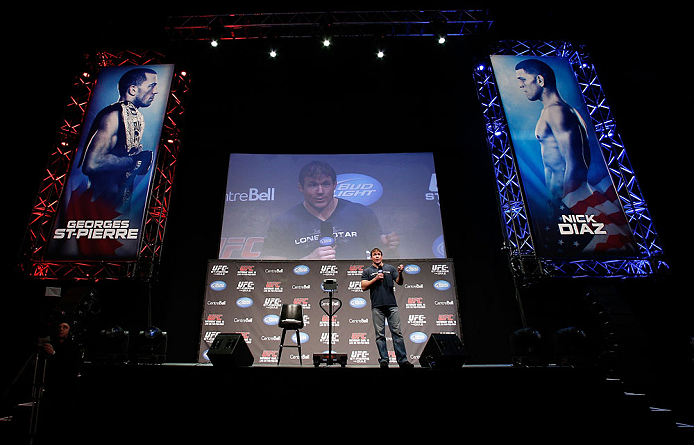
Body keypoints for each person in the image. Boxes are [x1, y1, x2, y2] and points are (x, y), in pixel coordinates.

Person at [262, 160, 400, 260]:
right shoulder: (283, 222)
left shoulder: (362, 213)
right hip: (303, 290)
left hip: (356, 290)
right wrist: (306, 262)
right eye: (313, 185)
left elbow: (381, 260)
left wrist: (387, 250)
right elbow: (269, 266)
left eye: (325, 184)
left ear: (334, 185)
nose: (320, 191)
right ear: (301, 187)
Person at [77, 67, 158, 213]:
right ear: (133, 90)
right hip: (96, 209)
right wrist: (133, 162)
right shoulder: (113, 116)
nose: (155, 91)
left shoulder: (130, 114)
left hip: (115, 208)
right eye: (151, 86)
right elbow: (91, 163)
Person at [515, 58, 591, 205]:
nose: (520, 85)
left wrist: (569, 205)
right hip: (563, 201)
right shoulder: (557, 110)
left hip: (572, 202)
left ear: (540, 80)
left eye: (523, 79)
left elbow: (576, 164)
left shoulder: (556, 111)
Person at [361, 247, 413, 368]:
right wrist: (375, 278)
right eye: (375, 255)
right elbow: (363, 286)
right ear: (371, 257)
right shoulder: (368, 271)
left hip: (391, 306)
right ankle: (384, 359)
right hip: (377, 306)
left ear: (382, 256)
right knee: (380, 335)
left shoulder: (390, 269)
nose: (377, 256)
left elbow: (399, 282)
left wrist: (400, 273)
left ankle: (403, 360)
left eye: (379, 254)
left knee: (397, 333)